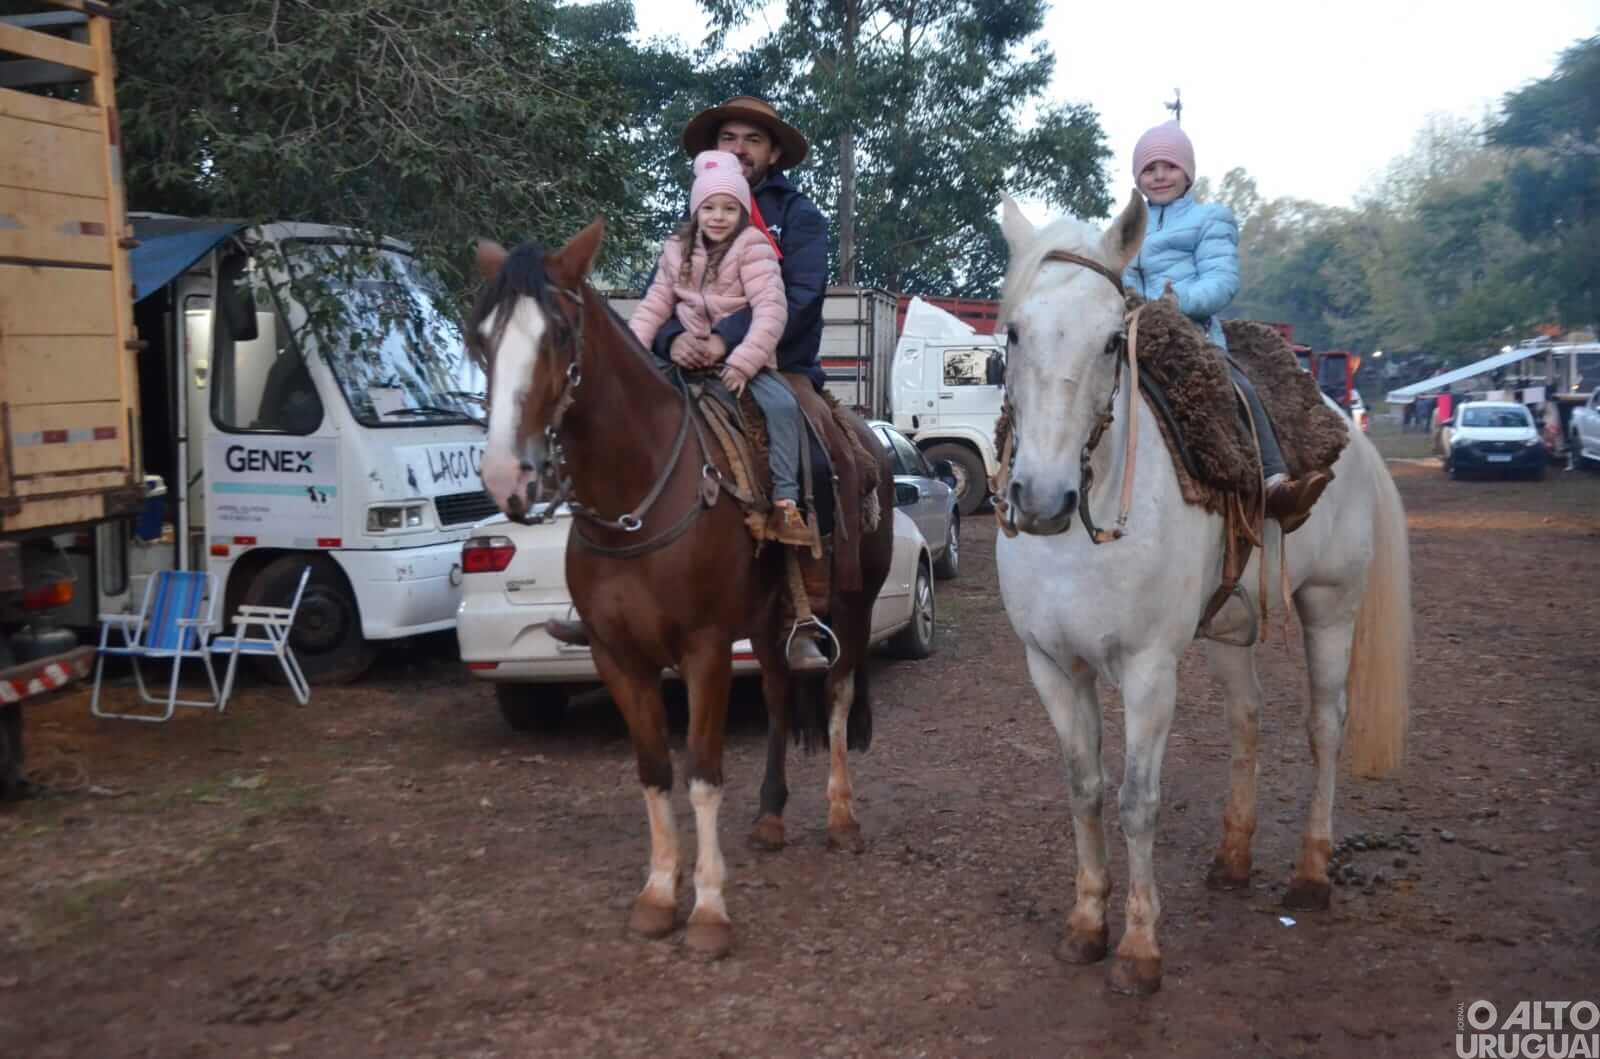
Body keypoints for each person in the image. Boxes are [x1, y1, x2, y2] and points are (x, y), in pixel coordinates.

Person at [1122, 120, 1330, 528]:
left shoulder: (1211, 218)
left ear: (1188, 172)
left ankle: (1273, 480)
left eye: (1169, 166)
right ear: (1137, 178)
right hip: (1133, 334)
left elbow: (1221, 281)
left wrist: (1172, 304)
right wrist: (1128, 300)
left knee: (1237, 387)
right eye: (1149, 168)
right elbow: (1122, 273)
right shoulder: (1130, 226)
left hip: (1192, 334)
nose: (1160, 175)